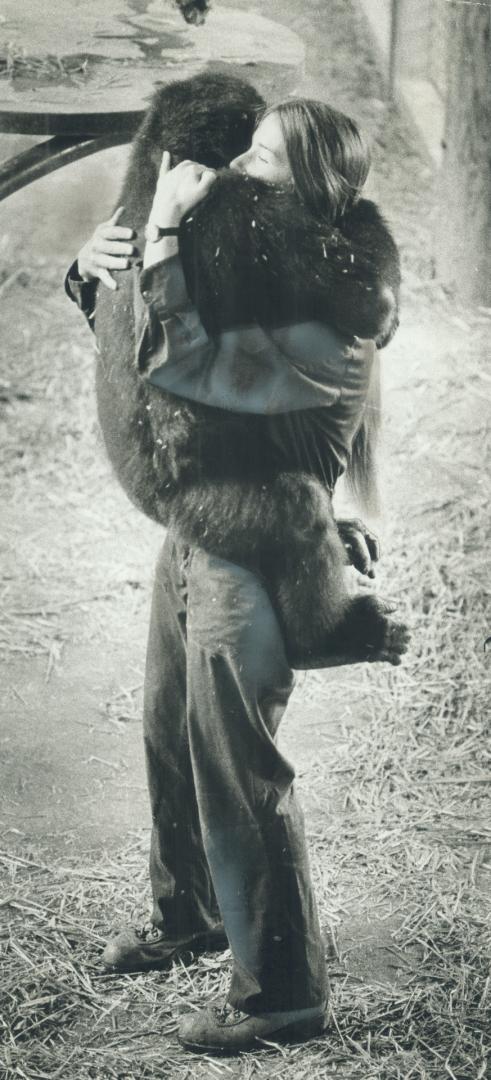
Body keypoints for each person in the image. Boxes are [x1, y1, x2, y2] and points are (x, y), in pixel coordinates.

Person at [66, 98, 404, 1054]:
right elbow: (146, 345)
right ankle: (191, 914)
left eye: (260, 160)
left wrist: (167, 223)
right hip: (198, 531)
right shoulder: (270, 263)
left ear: (308, 191)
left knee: (238, 769)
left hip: (251, 562)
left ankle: (282, 992)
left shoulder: (330, 323)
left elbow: (181, 364)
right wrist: (96, 274)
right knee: (170, 732)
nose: (235, 175)